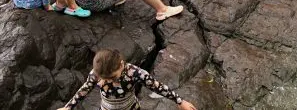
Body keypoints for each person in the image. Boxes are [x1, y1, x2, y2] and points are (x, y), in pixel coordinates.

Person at [59, 49, 197, 110]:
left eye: (112, 77)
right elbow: (85, 89)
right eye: (103, 78)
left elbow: (157, 86)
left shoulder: (135, 73)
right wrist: (68, 107)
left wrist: (180, 101)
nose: (107, 81)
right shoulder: (97, 73)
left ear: (121, 64)